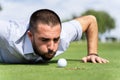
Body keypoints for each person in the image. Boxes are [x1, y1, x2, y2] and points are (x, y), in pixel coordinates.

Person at [0, 9, 109, 63]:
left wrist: (92, 53)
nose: (52, 47)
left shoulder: (64, 35)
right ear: (30, 35)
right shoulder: (10, 34)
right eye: (44, 40)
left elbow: (90, 20)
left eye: (56, 39)